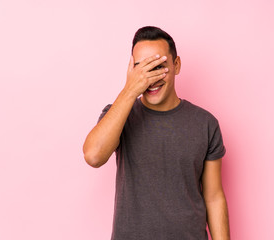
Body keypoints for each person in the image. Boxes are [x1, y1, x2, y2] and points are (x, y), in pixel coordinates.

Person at [83, 26, 230, 240]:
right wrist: (130, 89)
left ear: (176, 65)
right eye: (142, 69)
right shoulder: (118, 116)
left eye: (158, 66)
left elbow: (214, 197)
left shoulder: (205, 124)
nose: (150, 78)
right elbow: (93, 156)